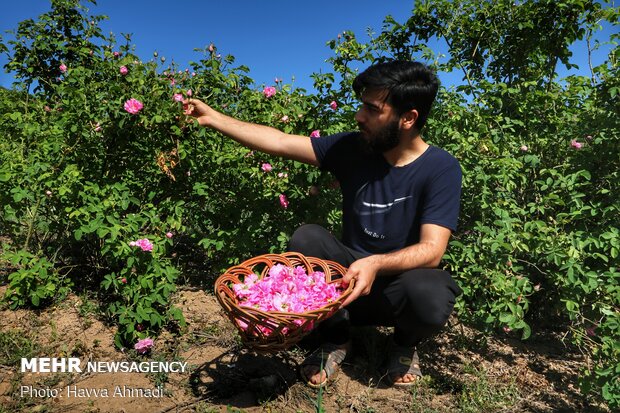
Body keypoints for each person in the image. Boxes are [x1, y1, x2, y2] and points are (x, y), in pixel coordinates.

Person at [183, 60, 462, 388]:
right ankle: (336, 338)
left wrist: (374, 263)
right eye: (362, 106)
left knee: (431, 292)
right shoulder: (353, 149)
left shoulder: (440, 167)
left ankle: (403, 345)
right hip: (342, 286)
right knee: (307, 239)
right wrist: (214, 118)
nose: (359, 116)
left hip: (396, 293)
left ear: (408, 118)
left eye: (372, 109)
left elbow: (432, 250)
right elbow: (281, 141)